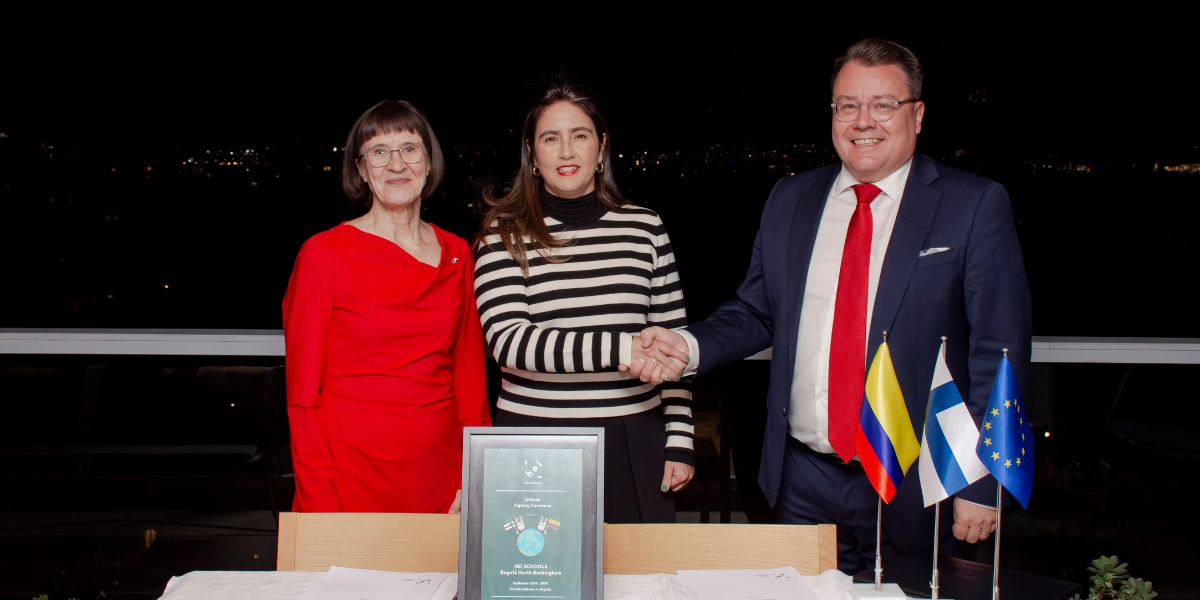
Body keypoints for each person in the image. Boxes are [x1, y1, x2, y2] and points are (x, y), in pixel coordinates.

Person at [631, 39, 1032, 572]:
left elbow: (998, 347)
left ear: (917, 115)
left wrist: (982, 481)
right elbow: (756, 312)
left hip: (915, 482)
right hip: (800, 481)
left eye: (883, 104)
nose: (864, 121)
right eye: (848, 105)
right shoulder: (790, 199)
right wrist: (687, 344)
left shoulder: (973, 204)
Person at [473, 79, 694, 524]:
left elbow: (675, 345)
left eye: (580, 135)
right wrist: (623, 349)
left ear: (601, 147)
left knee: (639, 587)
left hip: (635, 437)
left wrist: (680, 440)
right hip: (534, 442)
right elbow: (511, 344)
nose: (567, 151)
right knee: (536, 586)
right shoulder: (503, 232)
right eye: (550, 139)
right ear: (533, 155)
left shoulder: (645, 227)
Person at [283, 100, 491, 514]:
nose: (396, 164)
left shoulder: (457, 253)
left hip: (444, 480)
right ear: (361, 169)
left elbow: (470, 382)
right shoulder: (323, 255)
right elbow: (303, 399)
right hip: (349, 479)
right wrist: (321, 504)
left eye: (410, 149)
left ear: (429, 163)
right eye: (379, 152)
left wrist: (478, 479)